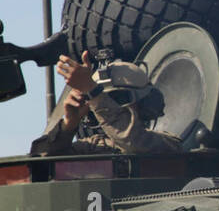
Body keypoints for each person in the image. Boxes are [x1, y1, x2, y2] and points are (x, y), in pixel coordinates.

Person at [30, 51, 183, 155]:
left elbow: (133, 141)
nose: (111, 107)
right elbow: (41, 164)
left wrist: (92, 91)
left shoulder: (168, 144)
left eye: (119, 99)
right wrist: (68, 126)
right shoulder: (93, 147)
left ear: (146, 103)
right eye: (104, 100)